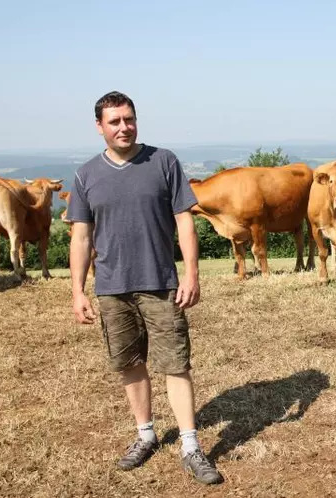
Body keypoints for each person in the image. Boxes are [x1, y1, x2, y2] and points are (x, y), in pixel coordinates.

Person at [67, 91, 222, 485]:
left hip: (161, 284)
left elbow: (185, 221)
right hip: (111, 287)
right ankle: (146, 435)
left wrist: (191, 274)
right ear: (99, 127)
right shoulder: (86, 175)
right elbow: (81, 237)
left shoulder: (163, 161)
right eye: (115, 121)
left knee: (176, 365)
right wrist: (78, 291)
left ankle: (190, 446)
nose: (124, 127)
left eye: (129, 119)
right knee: (129, 364)